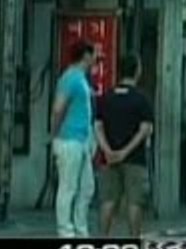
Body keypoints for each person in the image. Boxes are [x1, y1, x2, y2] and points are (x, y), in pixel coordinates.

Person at [94, 54, 154, 237]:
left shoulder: (106, 97)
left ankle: (104, 240)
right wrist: (126, 151)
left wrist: (107, 150)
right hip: (135, 159)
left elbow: (97, 126)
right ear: (137, 71)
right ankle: (133, 241)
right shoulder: (142, 99)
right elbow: (145, 129)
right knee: (135, 202)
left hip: (109, 159)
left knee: (108, 200)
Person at [50, 41, 98, 238]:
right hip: (69, 139)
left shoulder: (81, 79)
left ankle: (80, 226)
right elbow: (58, 108)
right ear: (85, 56)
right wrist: (55, 135)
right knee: (68, 186)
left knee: (87, 187)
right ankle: (65, 230)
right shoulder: (70, 78)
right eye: (94, 54)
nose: (96, 58)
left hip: (82, 140)